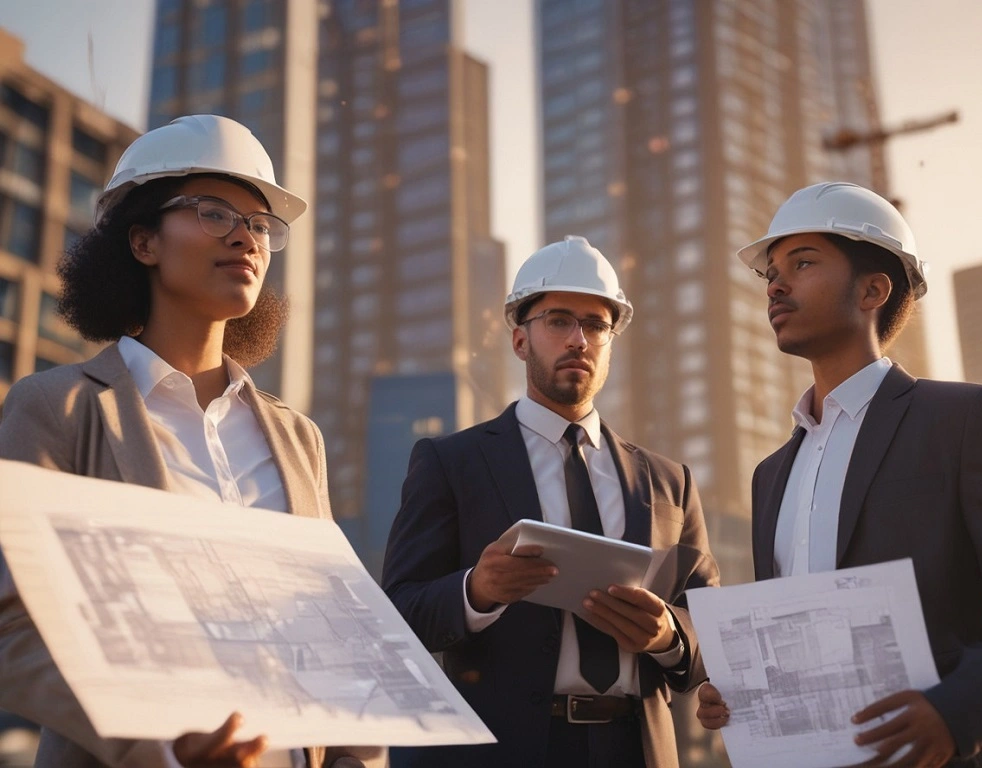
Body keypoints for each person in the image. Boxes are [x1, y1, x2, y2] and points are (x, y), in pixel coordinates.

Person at [0, 115, 383, 768]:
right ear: (144, 241)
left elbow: (336, 636)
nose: (247, 238)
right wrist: (164, 751)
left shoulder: (298, 438)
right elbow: (14, 629)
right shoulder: (55, 409)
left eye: (261, 225)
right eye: (214, 213)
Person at [695, 182, 982, 767]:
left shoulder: (962, 419)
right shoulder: (771, 475)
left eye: (803, 262)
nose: (776, 283)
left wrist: (959, 712)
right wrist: (746, 695)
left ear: (873, 289)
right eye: (771, 270)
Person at [382, 235, 720, 768]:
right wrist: (476, 591)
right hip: (504, 749)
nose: (579, 340)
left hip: (638, 749)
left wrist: (668, 636)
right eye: (559, 320)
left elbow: (714, 627)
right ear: (520, 340)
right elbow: (398, 610)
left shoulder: (668, 480)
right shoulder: (452, 462)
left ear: (611, 341)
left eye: (595, 325)